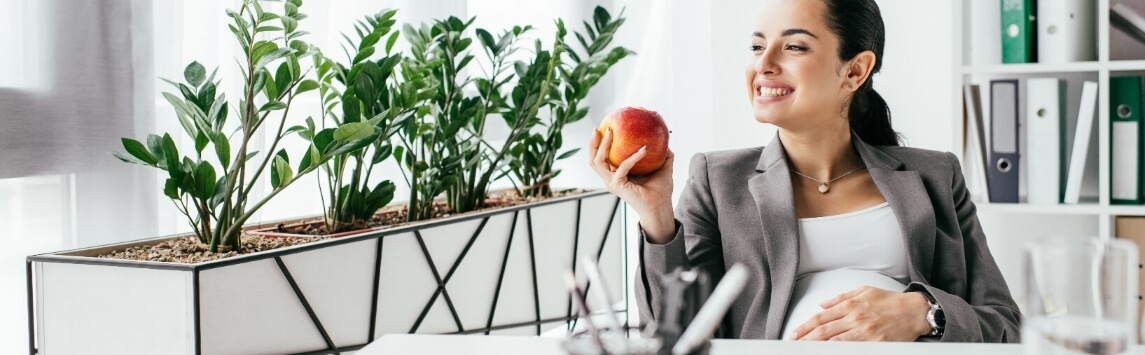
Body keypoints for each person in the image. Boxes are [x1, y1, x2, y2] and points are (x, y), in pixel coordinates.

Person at [588, 0, 1020, 342]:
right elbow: (675, 335)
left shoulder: (935, 175)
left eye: (793, 46)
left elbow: (1006, 326)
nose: (764, 64)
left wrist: (926, 313)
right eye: (758, 46)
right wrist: (657, 216)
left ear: (855, 70)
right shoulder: (717, 181)